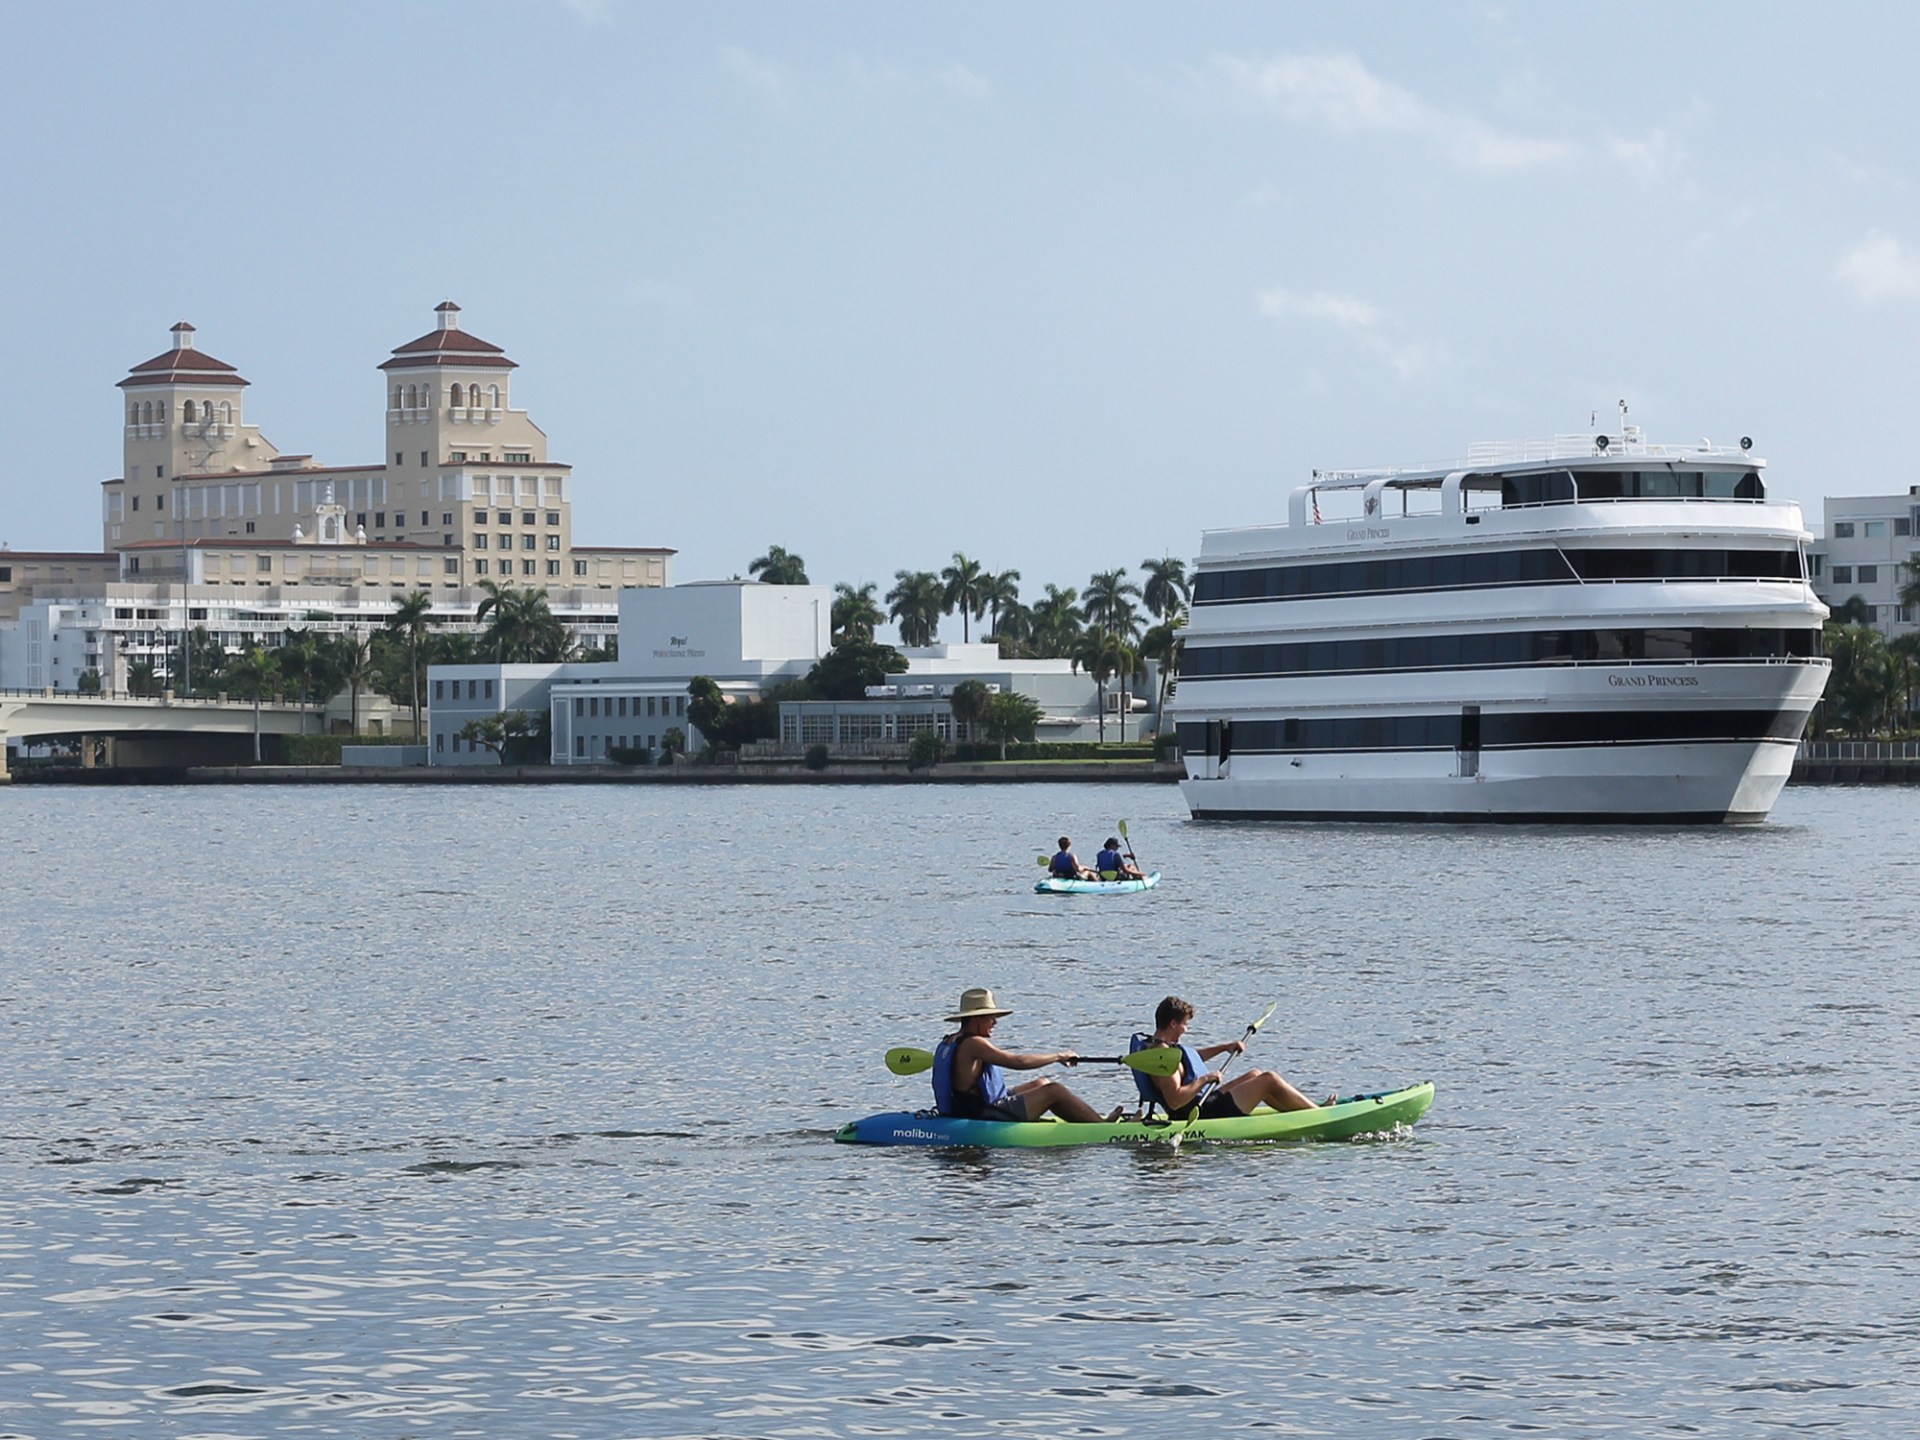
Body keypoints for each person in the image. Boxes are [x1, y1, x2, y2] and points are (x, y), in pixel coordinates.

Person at [932, 987, 1118, 1123]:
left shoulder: (950, 1040)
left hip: (976, 1105)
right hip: (982, 1113)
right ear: (975, 1018)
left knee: (1042, 1083)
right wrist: (1058, 1056)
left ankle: (1088, 1118)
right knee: (1054, 1090)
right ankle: (1103, 1128)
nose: (995, 1022)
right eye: (990, 1017)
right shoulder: (974, 1043)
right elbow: (1017, 1062)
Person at [1128, 996, 1329, 1119]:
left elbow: (1189, 1059)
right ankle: (1319, 1116)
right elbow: (1174, 1102)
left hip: (1201, 1102)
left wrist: (1225, 1047)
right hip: (1199, 1114)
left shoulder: (1158, 1045)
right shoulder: (1163, 1059)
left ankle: (1301, 1113)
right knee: (1269, 1079)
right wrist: (1205, 1079)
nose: (1186, 1029)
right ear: (1173, 1023)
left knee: (1255, 1074)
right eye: (1185, 1024)